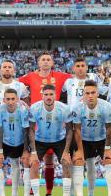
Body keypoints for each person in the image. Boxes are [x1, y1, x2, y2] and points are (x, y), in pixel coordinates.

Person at [19, 53, 71, 196]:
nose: (46, 62)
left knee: (50, 162)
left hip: (55, 123)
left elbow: (78, 82)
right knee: (32, 161)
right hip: (36, 125)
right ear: (38, 63)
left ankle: (49, 192)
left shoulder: (61, 76)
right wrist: (21, 101)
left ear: (53, 62)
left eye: (49, 59)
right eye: (43, 59)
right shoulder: (30, 76)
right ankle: (30, 191)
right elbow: (14, 85)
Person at [0, 59, 29, 196]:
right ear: (0, 70)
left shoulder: (20, 86)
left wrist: (24, 104)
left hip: (15, 130)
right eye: (4, 67)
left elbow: (26, 103)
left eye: (9, 67)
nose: (7, 69)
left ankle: (14, 193)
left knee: (15, 162)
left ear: (14, 70)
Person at [28, 84, 74, 196]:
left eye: (51, 94)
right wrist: (33, 152)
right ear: (42, 96)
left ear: (55, 95)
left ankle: (66, 194)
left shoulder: (64, 108)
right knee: (34, 163)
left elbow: (69, 130)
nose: (48, 97)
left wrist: (66, 151)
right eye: (46, 94)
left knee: (66, 162)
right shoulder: (34, 108)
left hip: (59, 140)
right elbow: (31, 130)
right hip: (40, 140)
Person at [71, 80, 111, 196]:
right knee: (79, 161)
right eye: (87, 93)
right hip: (85, 140)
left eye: (93, 92)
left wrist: (107, 148)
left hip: (102, 139)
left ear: (98, 93)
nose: (90, 96)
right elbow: (77, 129)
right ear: (83, 94)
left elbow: (110, 128)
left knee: (109, 160)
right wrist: (80, 150)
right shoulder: (78, 108)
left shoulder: (106, 106)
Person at [0, 89, 30, 196]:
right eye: (8, 99)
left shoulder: (23, 110)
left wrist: (26, 150)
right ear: (4, 100)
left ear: (17, 99)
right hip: (5, 142)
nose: (10, 102)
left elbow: (26, 130)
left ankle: (17, 193)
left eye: (13, 99)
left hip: (21, 141)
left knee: (26, 162)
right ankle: (1, 194)